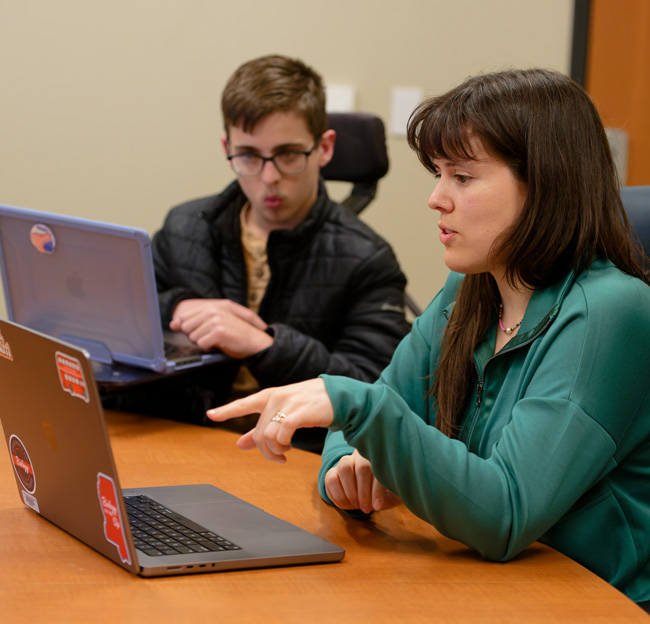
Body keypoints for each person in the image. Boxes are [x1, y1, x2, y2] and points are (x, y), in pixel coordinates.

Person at [206, 68, 650, 606]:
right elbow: (368, 423)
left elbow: (506, 513)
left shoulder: (611, 311)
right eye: (438, 175)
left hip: (591, 603)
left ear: (546, 184)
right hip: (491, 587)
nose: (437, 198)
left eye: (462, 177)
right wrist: (350, 471)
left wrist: (356, 408)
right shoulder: (470, 286)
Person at [146, 54, 410, 451]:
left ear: (324, 147)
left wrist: (264, 345)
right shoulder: (185, 227)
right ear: (226, 147)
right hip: (186, 437)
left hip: (293, 455)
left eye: (288, 154)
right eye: (249, 155)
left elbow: (374, 391)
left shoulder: (367, 258)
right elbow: (127, 320)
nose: (268, 178)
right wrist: (177, 307)